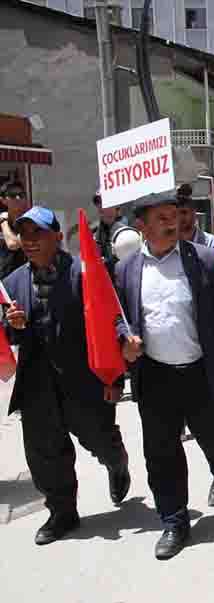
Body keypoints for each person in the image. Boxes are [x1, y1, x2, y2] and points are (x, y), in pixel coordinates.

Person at [115, 190, 214, 560]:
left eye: (174, 215)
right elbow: (117, 316)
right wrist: (124, 340)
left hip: (202, 373)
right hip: (155, 376)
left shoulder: (204, 260)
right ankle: (174, 520)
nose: (172, 222)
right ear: (141, 226)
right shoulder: (126, 269)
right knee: (161, 453)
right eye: (161, 217)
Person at [1, 207, 130, 546]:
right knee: (45, 454)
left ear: (57, 236)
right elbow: (10, 335)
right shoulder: (12, 283)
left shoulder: (83, 272)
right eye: (24, 235)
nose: (29, 241)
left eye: (37, 234)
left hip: (84, 381)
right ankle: (62, 512)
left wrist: (116, 377)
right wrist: (11, 325)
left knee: (100, 438)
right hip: (38, 386)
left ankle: (117, 462)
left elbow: (111, 318)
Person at [91, 192, 131, 275]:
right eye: (98, 203)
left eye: (105, 202)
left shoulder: (128, 232)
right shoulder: (95, 234)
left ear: (117, 206)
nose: (101, 206)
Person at [176, 183, 214, 251]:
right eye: (175, 213)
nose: (180, 217)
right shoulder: (166, 245)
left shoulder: (212, 245)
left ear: (194, 214)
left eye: (184, 212)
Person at [0, 180, 29, 279]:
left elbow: (13, 244)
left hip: (23, 280)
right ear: (3, 200)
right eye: (13, 195)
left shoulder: (29, 222)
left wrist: (3, 221)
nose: (18, 198)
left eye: (21, 195)